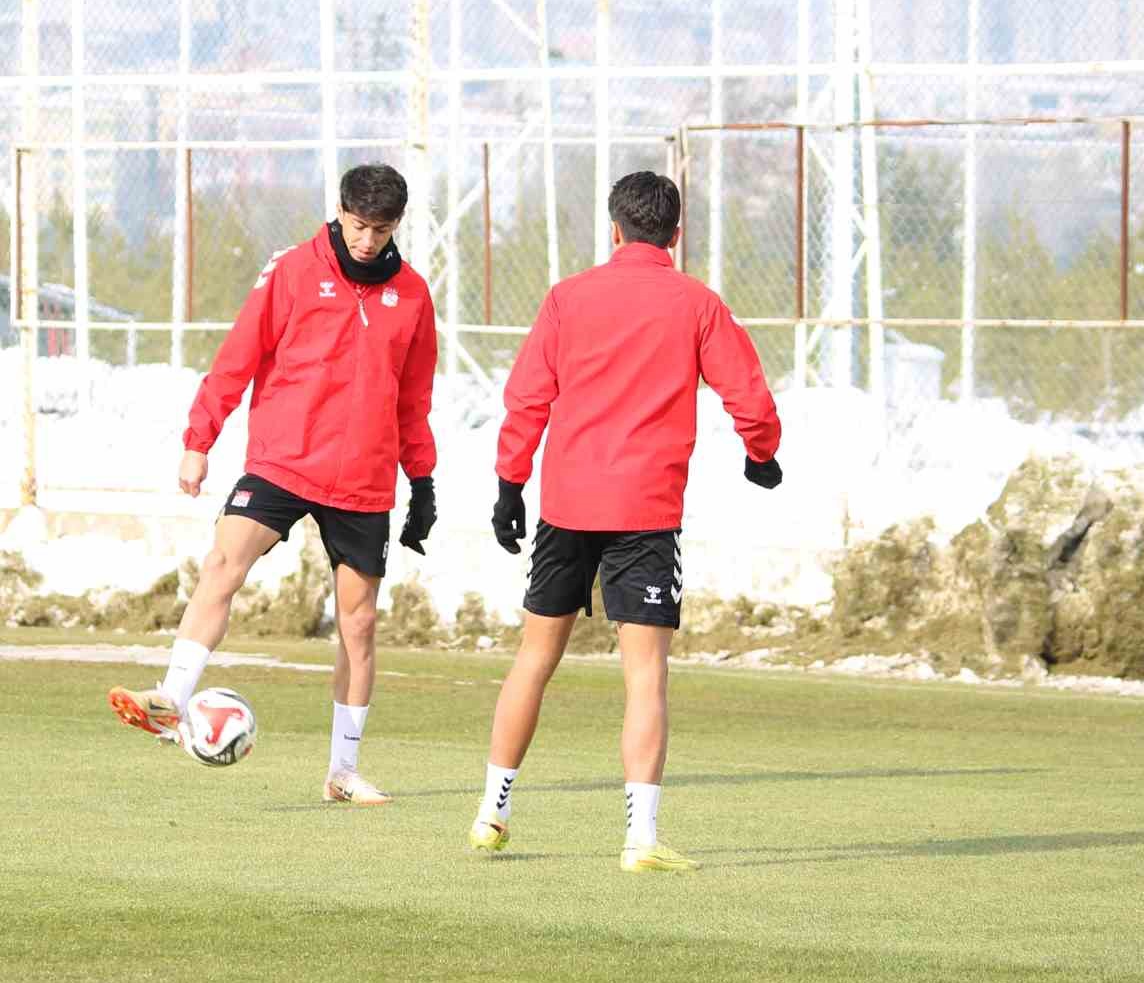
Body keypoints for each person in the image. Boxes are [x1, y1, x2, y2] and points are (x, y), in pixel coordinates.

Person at [470, 170, 782, 872]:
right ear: (676, 234)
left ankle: (492, 812)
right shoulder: (698, 303)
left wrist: (509, 486)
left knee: (534, 659)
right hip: (645, 512)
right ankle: (640, 838)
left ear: (614, 228)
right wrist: (762, 454)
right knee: (645, 675)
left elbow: (527, 397)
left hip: (566, 506)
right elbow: (749, 395)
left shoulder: (567, 297)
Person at [107, 164, 438, 806]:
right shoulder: (292, 270)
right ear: (339, 212)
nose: (367, 240)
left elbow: (413, 399)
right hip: (283, 461)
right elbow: (238, 357)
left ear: (397, 226)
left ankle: (343, 771)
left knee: (359, 624)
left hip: (363, 478)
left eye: (381, 229)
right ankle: (171, 698)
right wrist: (198, 442)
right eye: (358, 226)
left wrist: (422, 482)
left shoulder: (414, 295)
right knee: (223, 561)